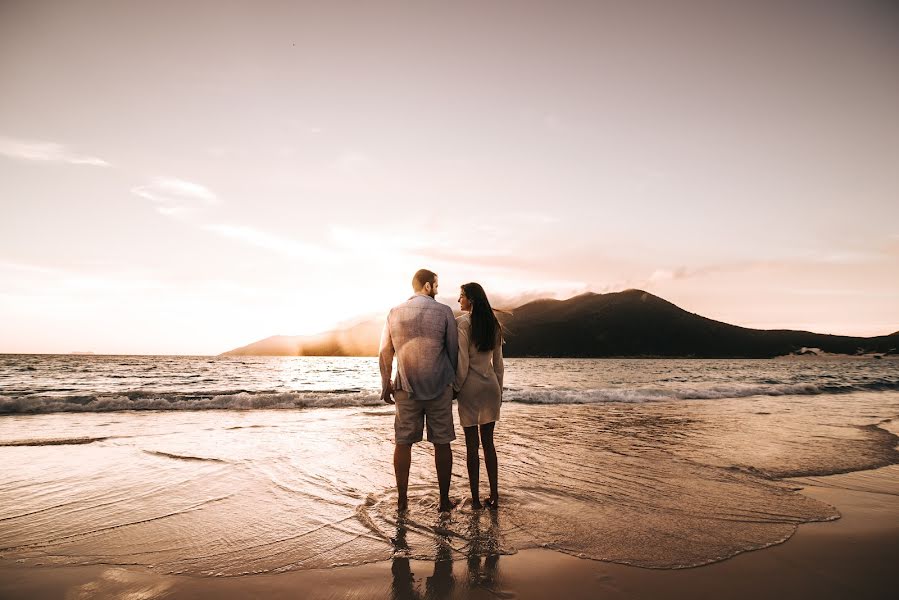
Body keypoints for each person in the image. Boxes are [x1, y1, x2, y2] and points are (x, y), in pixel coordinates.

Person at [379, 269, 459, 513]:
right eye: (435, 285)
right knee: (442, 442)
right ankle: (444, 502)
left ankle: (402, 502)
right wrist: (453, 383)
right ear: (426, 286)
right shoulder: (444, 312)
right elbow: (453, 351)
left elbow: (385, 351)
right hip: (439, 387)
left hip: (405, 387)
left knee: (403, 443)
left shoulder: (395, 312)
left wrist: (385, 382)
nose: (437, 289)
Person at [453, 282, 504, 509]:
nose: (458, 300)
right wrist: (499, 392)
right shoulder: (493, 324)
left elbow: (462, 364)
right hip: (490, 387)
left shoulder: (462, 324)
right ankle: (494, 496)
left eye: (461, 296)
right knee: (489, 444)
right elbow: (499, 365)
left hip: (470, 389)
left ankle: (475, 501)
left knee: (472, 446)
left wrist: (455, 388)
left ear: (470, 299)